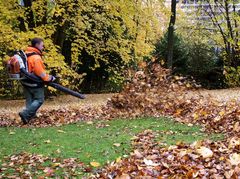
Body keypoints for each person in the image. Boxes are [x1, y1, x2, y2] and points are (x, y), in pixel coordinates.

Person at [19, 38, 55, 124]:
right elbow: (40, 73)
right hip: (34, 83)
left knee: (30, 100)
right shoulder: (36, 58)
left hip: (25, 81)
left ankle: (29, 118)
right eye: (42, 45)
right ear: (37, 45)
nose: (43, 47)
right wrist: (49, 78)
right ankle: (25, 114)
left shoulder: (26, 54)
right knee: (39, 99)